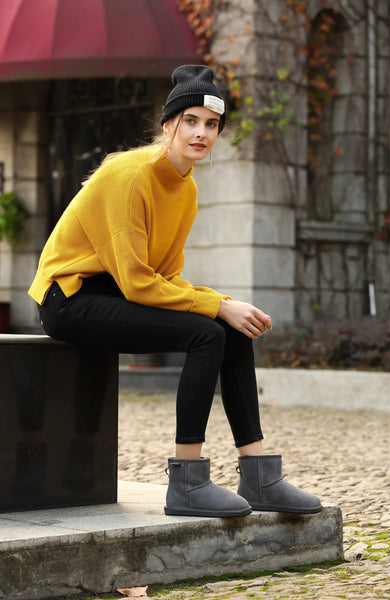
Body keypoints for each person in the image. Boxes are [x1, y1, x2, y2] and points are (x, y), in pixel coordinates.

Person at [28, 65, 321, 518]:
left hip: (116, 295)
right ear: (169, 125)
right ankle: (187, 481)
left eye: (211, 124)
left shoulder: (185, 189)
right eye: (190, 121)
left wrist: (223, 307)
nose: (201, 133)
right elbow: (138, 281)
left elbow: (167, 278)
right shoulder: (130, 175)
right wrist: (218, 305)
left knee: (231, 330)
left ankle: (259, 473)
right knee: (208, 333)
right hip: (70, 299)